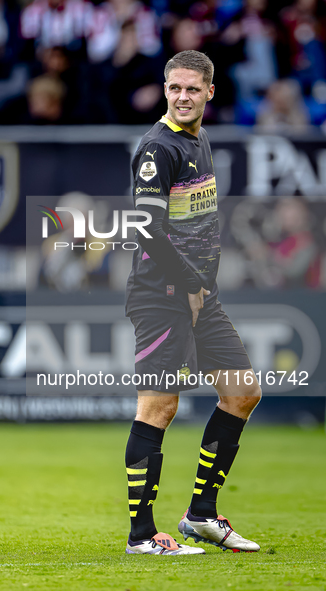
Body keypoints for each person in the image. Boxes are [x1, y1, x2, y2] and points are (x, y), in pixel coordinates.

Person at [124, 50, 262, 555]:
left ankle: (201, 515)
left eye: (191, 89)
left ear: (209, 92)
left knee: (243, 392)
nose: (182, 97)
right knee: (159, 406)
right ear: (165, 90)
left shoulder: (198, 139)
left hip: (200, 294)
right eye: (174, 88)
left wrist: (200, 287)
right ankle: (141, 536)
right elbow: (150, 230)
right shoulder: (158, 148)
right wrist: (189, 286)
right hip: (162, 297)